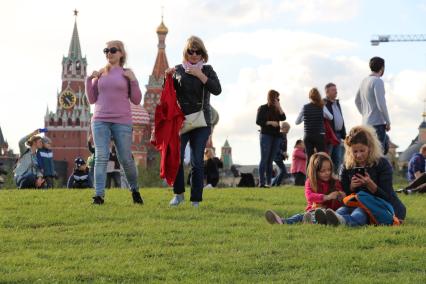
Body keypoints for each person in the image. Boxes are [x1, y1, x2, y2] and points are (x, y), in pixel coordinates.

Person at [165, 36, 221, 207]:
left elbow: (217, 89)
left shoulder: (208, 70)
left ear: (203, 53)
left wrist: (200, 75)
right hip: (182, 122)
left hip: (202, 121)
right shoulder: (178, 70)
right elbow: (167, 95)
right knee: (177, 158)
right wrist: (166, 78)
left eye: (198, 51)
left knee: (197, 160)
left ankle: (195, 199)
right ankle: (179, 194)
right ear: (186, 52)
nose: (194, 54)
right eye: (191, 51)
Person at [86, 40, 143, 205]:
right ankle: (99, 196)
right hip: (100, 120)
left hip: (122, 121)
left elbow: (137, 100)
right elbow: (91, 99)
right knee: (101, 156)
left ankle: (135, 190)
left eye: (113, 50)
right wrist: (89, 80)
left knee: (125, 159)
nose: (109, 53)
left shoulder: (127, 73)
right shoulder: (100, 74)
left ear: (121, 54)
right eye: (106, 50)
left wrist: (133, 80)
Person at [326, 126, 406, 226]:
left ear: (370, 148)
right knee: (341, 210)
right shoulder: (346, 166)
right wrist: (351, 187)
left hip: (380, 205)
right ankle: (327, 219)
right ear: (350, 150)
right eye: (355, 151)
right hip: (354, 204)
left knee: (360, 214)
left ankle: (342, 221)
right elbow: (344, 195)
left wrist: (370, 184)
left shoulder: (382, 164)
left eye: (362, 150)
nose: (358, 155)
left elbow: (387, 196)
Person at [265, 152, 345, 224]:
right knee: (300, 216)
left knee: (318, 215)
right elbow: (309, 196)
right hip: (312, 210)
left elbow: (341, 200)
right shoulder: (310, 182)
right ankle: (282, 221)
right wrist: (326, 197)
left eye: (329, 170)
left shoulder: (335, 181)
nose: (327, 173)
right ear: (315, 171)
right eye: (323, 171)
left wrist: (340, 196)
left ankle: (311, 221)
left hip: (329, 212)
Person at [355, 57, 390, 152]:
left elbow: (356, 100)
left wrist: (364, 113)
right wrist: (388, 121)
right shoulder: (378, 81)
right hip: (377, 124)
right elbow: (381, 104)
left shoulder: (364, 81)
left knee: (368, 153)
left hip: (365, 123)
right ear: (382, 68)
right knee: (378, 154)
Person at [256, 90, 287, 188]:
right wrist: (270, 122)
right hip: (266, 135)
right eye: (276, 98)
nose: (278, 100)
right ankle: (261, 183)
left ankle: (269, 183)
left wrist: (279, 107)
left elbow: (283, 117)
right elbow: (258, 121)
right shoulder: (263, 108)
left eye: (278, 98)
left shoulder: (277, 109)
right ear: (271, 98)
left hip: (276, 136)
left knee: (270, 160)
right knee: (264, 159)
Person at [295, 88, 333, 167]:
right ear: (319, 96)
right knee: (322, 157)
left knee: (309, 158)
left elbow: (297, 122)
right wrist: (322, 114)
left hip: (308, 135)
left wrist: (306, 116)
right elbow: (331, 117)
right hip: (319, 135)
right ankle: (321, 175)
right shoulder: (321, 106)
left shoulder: (305, 107)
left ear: (309, 97)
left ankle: (308, 178)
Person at [324, 83, 346, 172]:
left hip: (338, 135)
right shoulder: (324, 103)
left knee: (338, 159)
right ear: (327, 92)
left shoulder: (337, 103)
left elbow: (341, 118)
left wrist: (344, 135)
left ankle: (336, 180)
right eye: (333, 90)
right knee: (327, 158)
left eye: (336, 90)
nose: (336, 92)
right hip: (329, 135)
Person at [272, 122, 291, 186]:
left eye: (289, 129)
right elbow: (277, 147)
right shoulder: (281, 135)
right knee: (283, 171)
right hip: (277, 156)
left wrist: (285, 154)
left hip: (279, 156)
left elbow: (284, 147)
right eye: (287, 129)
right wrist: (283, 153)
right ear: (283, 128)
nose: (288, 131)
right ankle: (277, 184)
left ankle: (274, 183)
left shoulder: (284, 135)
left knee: (282, 170)